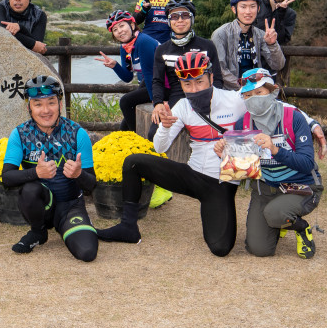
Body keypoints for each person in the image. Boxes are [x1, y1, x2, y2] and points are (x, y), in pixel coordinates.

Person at [97, 51, 244, 256]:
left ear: (211, 77)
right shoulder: (183, 105)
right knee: (133, 162)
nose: (194, 89)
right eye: (187, 85)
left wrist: (305, 125)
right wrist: (165, 126)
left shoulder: (235, 100)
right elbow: (160, 148)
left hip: (221, 183)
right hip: (193, 175)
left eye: (200, 82)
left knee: (220, 248)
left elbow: (279, 108)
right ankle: (128, 227)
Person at [225, 68, 320, 259]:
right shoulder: (242, 123)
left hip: (300, 187)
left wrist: (276, 150)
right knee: (259, 249)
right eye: (248, 95)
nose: (254, 99)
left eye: (259, 93)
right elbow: (241, 171)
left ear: (273, 91)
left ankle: (300, 227)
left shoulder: (293, 117)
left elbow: (307, 163)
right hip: (265, 189)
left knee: (275, 213)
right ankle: (280, 222)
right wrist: (226, 155)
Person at [2, 75, 98, 262]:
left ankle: (67, 226)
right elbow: (7, 178)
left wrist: (78, 174)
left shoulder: (77, 133)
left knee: (87, 253)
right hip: (41, 205)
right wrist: (35, 173)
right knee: (30, 188)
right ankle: (38, 232)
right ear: (28, 107)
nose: (45, 110)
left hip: (70, 205)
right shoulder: (20, 134)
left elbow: (91, 185)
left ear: (60, 104)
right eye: (37, 104)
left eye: (51, 103)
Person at [150, 0, 222, 123]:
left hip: (205, 95)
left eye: (185, 15)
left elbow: (217, 78)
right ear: (169, 21)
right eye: (174, 17)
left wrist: (214, 100)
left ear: (192, 18)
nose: (180, 20)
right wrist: (158, 103)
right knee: (155, 132)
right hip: (177, 97)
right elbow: (157, 81)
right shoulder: (162, 50)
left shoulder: (207, 45)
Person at [211, 0, 285, 91]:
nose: (248, 11)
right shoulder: (221, 34)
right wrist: (244, 85)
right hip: (230, 93)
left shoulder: (260, 35)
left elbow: (278, 65)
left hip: (255, 91)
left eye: (252, 6)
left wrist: (272, 44)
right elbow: (220, 69)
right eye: (243, 6)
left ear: (258, 8)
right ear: (234, 9)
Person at [97, 10, 159, 135]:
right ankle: (128, 140)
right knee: (124, 126)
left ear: (131, 25)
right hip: (152, 82)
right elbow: (127, 77)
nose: (119, 31)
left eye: (122, 26)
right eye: (115, 30)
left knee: (125, 101)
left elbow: (149, 74)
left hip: (165, 83)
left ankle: (138, 139)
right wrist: (115, 66)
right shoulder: (125, 47)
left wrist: (156, 101)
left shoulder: (143, 41)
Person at [257, 0, 299, 88]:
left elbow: (282, 38)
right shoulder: (257, 6)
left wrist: (280, 12)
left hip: (274, 67)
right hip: (253, 62)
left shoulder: (290, 14)